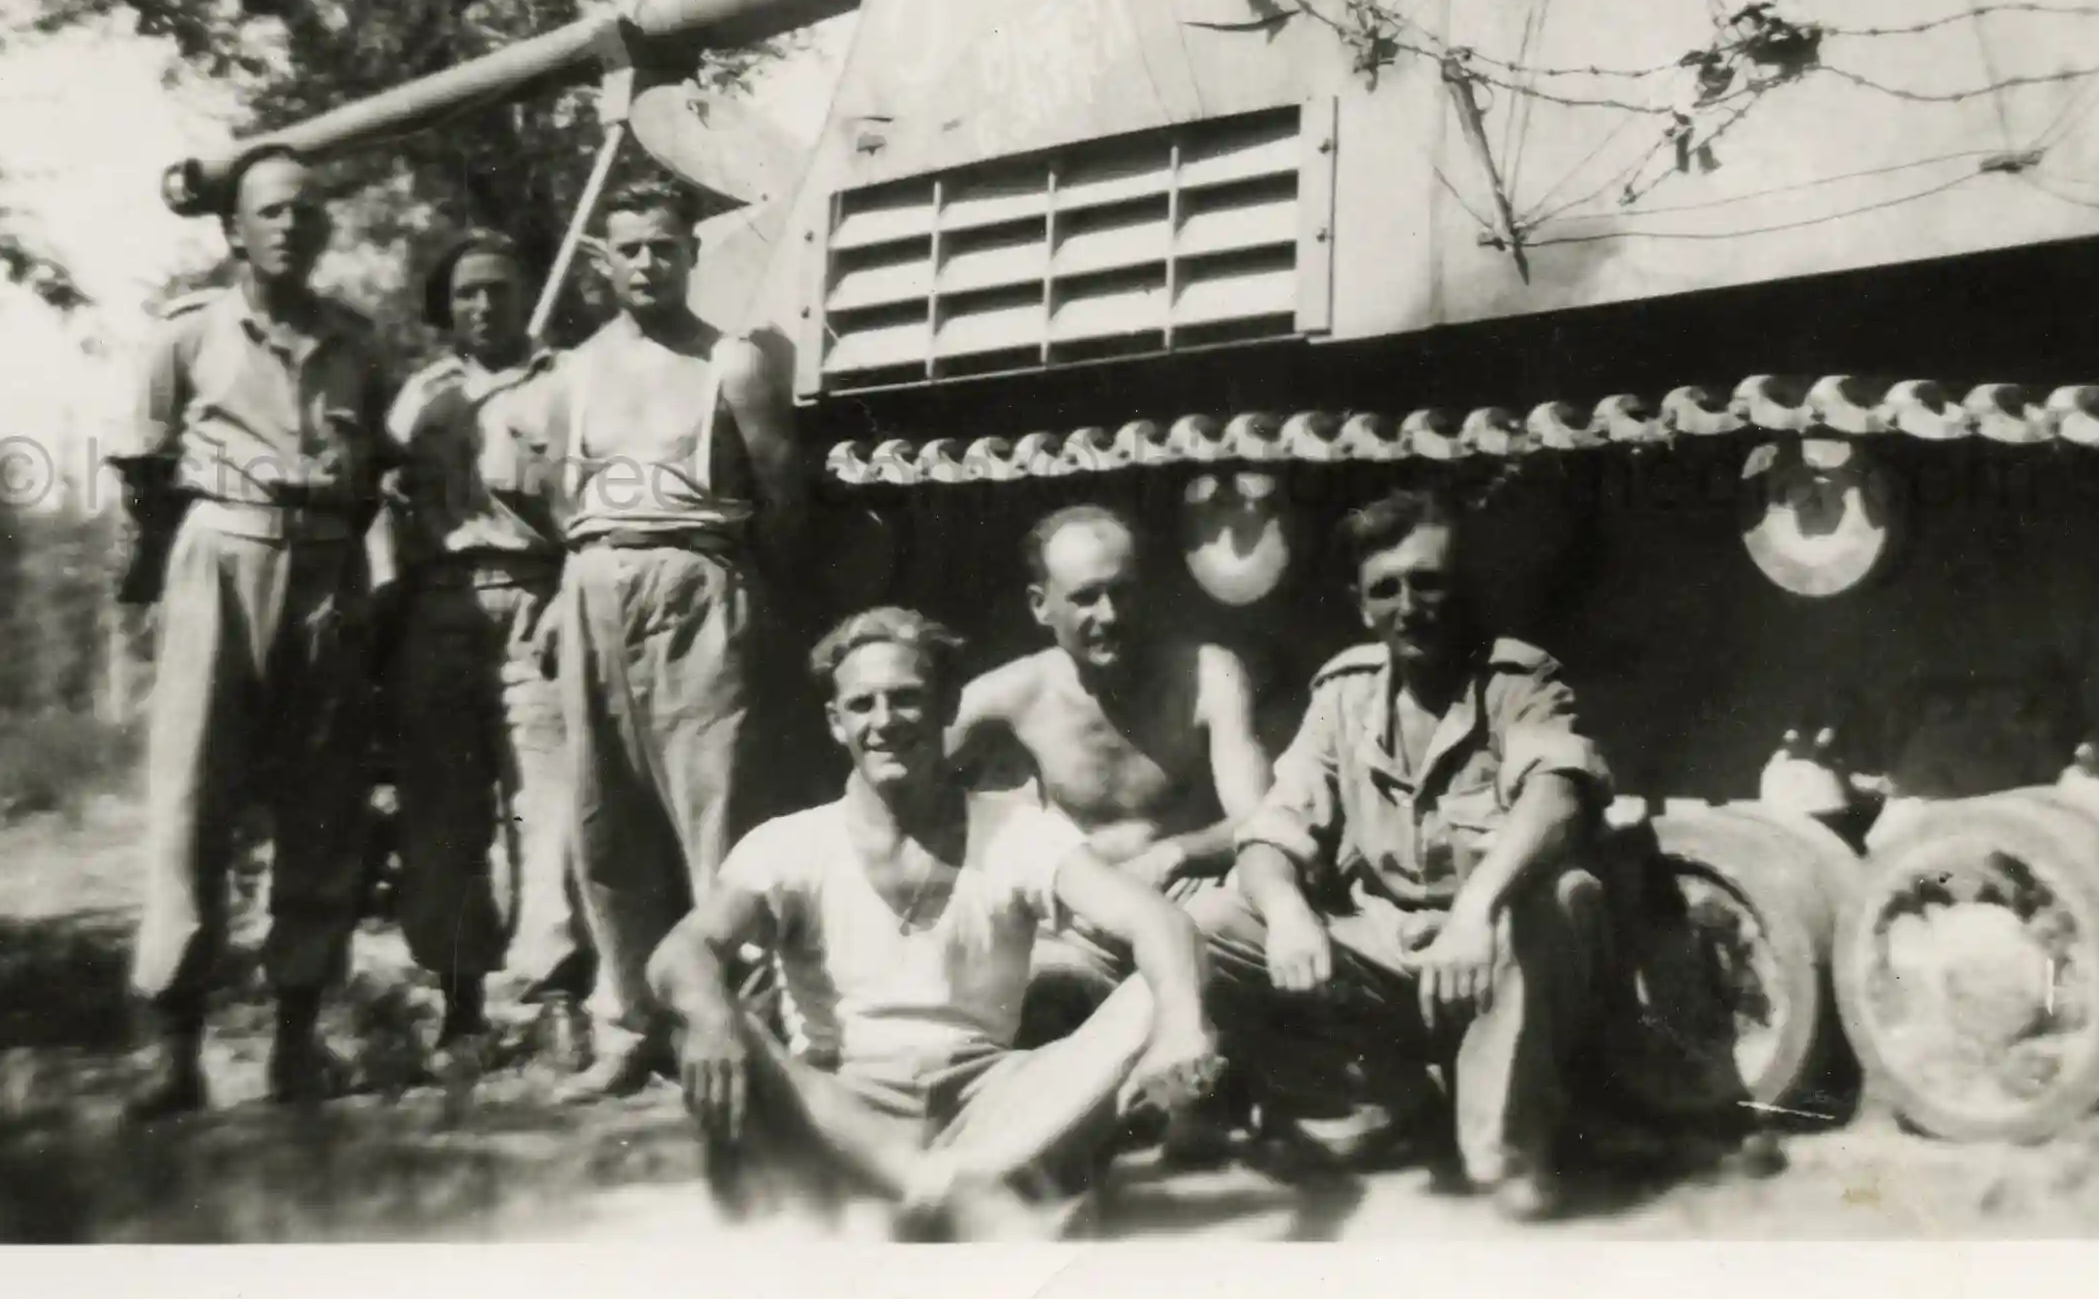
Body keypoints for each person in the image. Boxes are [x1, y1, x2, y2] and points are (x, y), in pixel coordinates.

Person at [648, 608, 1223, 1237]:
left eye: (906, 699)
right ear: (835, 723)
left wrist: (1180, 1027)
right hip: (844, 1107)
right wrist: (709, 1019)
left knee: (1165, 985)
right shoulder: (789, 844)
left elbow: (1158, 921)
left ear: (949, 706)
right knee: (712, 1016)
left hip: (995, 1103)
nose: (885, 722)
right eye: (862, 705)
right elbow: (683, 950)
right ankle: (952, 1190)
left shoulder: (1017, 832)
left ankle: (939, 1190)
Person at [1183, 488, 1614, 1220]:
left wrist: (1477, 909)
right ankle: (1373, 1096)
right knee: (1217, 916)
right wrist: (1287, 911)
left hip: (1493, 959)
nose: (1409, 605)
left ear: (1461, 586)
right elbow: (1270, 828)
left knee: (1561, 895)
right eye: (1386, 588)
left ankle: (1503, 1147)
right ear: (1361, 605)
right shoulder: (1343, 694)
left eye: (1428, 581)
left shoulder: (1517, 681)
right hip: (1392, 959)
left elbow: (1559, 796)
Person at [494, 165, 806, 1098]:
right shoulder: (572, 374)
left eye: (664, 246)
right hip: (595, 586)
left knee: (720, 818)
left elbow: (785, 496)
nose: (646, 263)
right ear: (602, 260)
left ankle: (738, 1030)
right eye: (628, 248)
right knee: (606, 816)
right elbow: (557, 500)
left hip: (702, 584)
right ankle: (626, 1028)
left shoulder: (735, 361)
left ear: (692, 252)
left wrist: (739, 599)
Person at [108, 146, 393, 1115]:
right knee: (194, 802)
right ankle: (173, 1050)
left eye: (308, 210)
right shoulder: (186, 337)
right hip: (217, 560)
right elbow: (142, 479)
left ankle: (295, 1046)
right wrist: (144, 613)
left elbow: (374, 479)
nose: (291, 225)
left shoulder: (357, 345)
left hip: (322, 566)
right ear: (233, 229)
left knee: (322, 811)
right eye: (271, 210)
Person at [369, 228, 585, 1080]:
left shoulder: (567, 380)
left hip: (539, 598)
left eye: (500, 288)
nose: (485, 304)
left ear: (527, 293)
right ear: (445, 306)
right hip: (439, 607)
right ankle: (461, 1006)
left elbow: (595, 497)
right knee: (443, 809)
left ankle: (559, 993)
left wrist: (570, 594)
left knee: (550, 803)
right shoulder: (418, 397)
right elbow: (378, 508)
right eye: (467, 293)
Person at [948, 504, 1272, 1039]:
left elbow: (1258, 820)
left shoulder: (1207, 674)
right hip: (1079, 932)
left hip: (1192, 910)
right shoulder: (1013, 695)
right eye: (1085, 597)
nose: (1110, 615)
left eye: (1122, 592)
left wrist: (1176, 852)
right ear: (1040, 605)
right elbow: (896, 778)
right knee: (1021, 997)